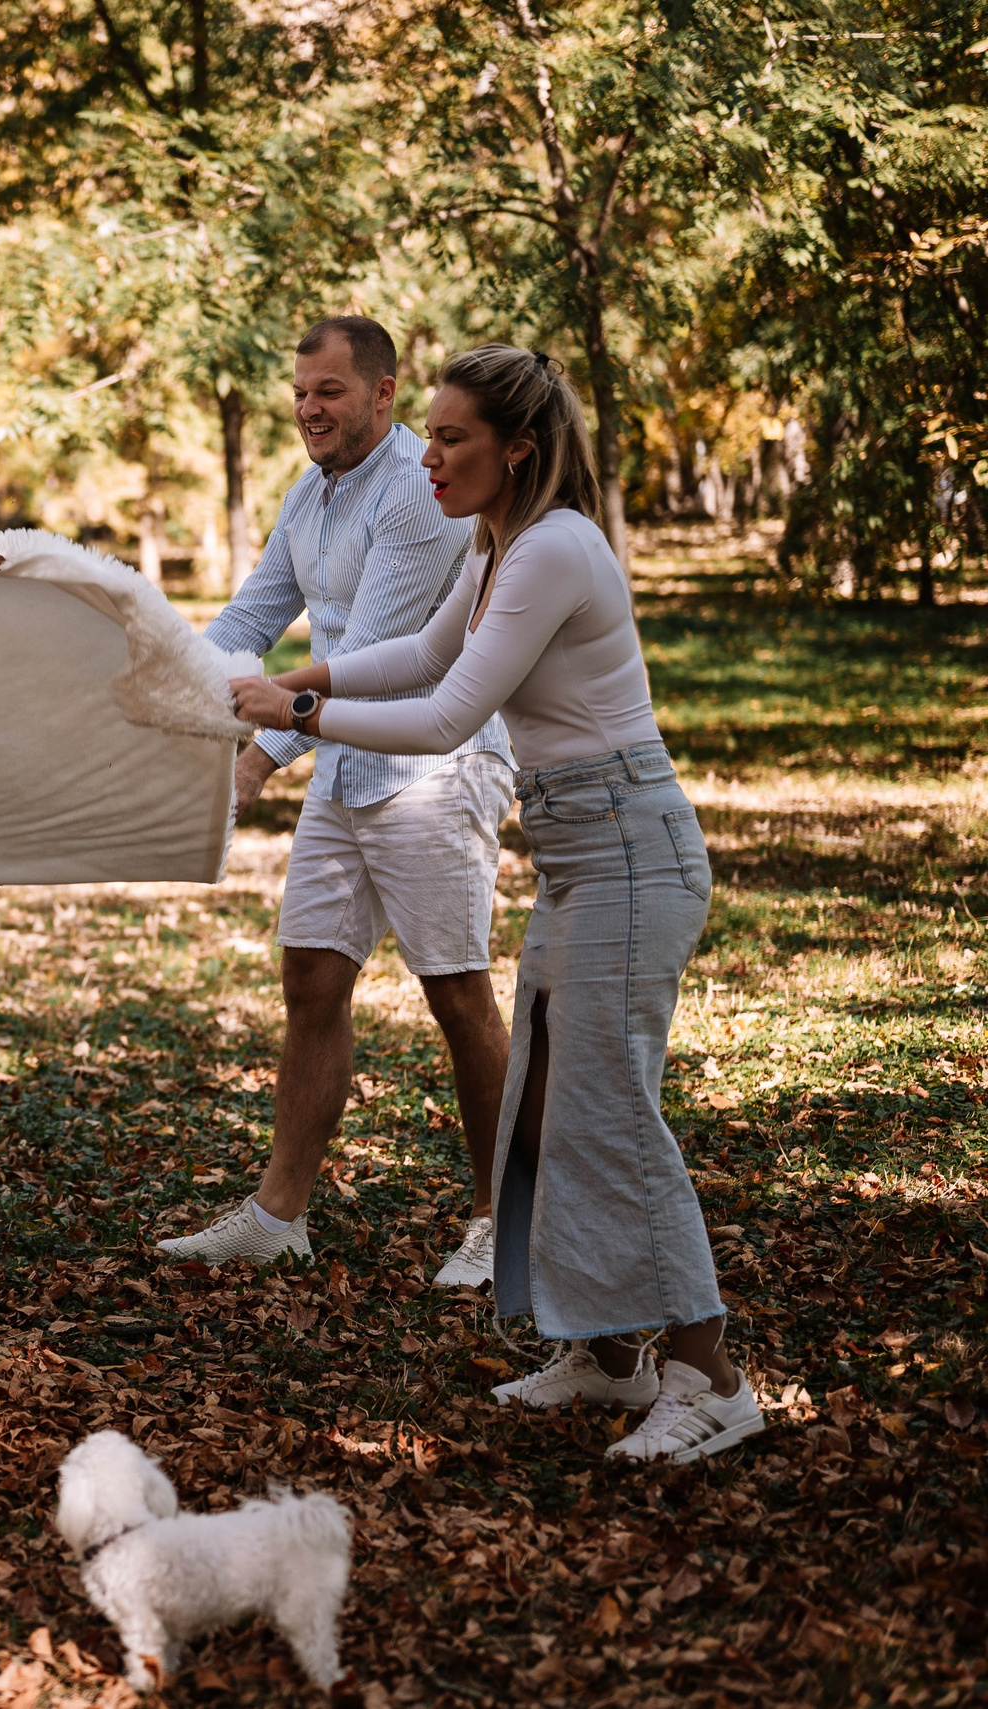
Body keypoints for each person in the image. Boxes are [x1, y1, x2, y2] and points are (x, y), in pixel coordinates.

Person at [229, 345, 761, 1463]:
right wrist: (303, 682)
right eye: (428, 433)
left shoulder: (554, 548)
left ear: (516, 447)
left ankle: (710, 1375)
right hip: (580, 849)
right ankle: (608, 1353)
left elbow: (444, 711)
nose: (430, 455)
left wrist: (297, 714)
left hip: (630, 846)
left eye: (454, 436)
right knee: (540, 1102)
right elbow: (423, 650)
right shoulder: (498, 541)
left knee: (610, 1108)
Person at [161, 315, 515, 1289]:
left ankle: (500, 1218)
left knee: (454, 990)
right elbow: (250, 615)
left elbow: (378, 648)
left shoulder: (417, 491)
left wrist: (255, 760)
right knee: (312, 980)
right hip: (343, 760)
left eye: (330, 391)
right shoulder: (309, 496)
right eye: (301, 390)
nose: (310, 408)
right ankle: (279, 1214)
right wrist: (161, 680)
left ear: (382, 393)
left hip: (436, 766)